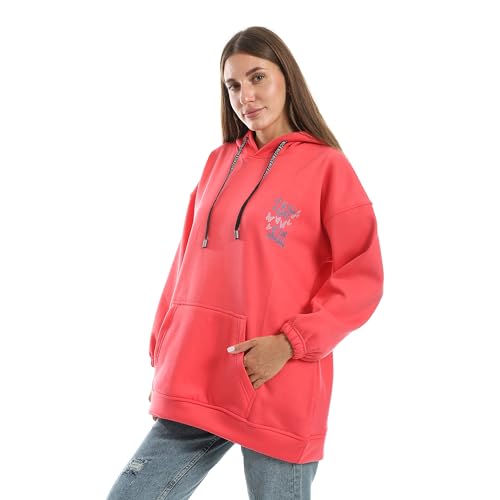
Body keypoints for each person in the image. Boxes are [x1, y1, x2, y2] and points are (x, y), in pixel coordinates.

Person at [106, 26, 384, 500]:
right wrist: (165, 344)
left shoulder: (327, 167)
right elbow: (185, 262)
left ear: (286, 77)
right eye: (233, 85)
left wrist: (291, 343)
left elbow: (362, 276)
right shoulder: (218, 162)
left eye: (257, 78)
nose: (245, 96)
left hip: (275, 375)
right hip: (199, 370)